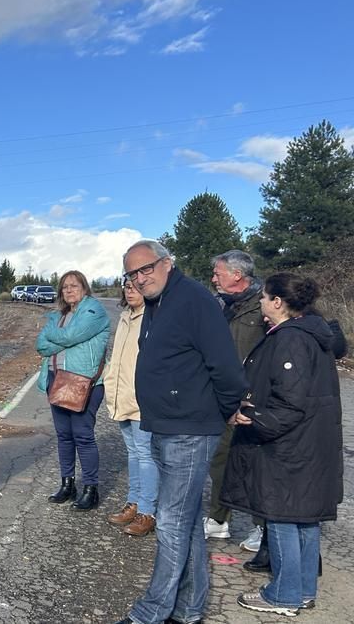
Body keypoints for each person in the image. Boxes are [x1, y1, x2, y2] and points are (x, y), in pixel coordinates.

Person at [113, 240, 246, 624]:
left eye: (146, 269)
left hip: (189, 429)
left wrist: (214, 415)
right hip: (165, 425)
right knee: (184, 523)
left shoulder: (193, 300)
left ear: (167, 264)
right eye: (132, 273)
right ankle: (188, 610)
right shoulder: (158, 304)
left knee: (169, 521)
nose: (139, 278)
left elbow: (227, 369)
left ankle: (151, 613)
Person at [220, 273, 343, 617]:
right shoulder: (310, 332)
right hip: (308, 442)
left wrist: (251, 418)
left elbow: (289, 402)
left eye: (264, 297)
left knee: (283, 516)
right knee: (304, 518)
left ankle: (284, 594)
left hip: (289, 446)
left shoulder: (290, 339)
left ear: (277, 302)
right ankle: (302, 589)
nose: (259, 302)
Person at [203, 250, 268, 561]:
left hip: (256, 401)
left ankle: (263, 527)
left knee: (257, 467)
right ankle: (219, 520)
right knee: (221, 461)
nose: (214, 278)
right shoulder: (221, 306)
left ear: (237, 276)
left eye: (218, 273)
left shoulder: (267, 305)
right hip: (226, 399)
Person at [36, 270, 110, 511]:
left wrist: (55, 337)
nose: (69, 290)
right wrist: (59, 339)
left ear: (85, 287)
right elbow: (40, 344)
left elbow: (71, 335)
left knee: (83, 435)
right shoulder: (59, 315)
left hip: (83, 382)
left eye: (74, 286)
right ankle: (67, 484)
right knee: (64, 435)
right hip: (56, 379)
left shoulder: (94, 310)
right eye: (65, 287)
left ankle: (91, 488)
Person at [102, 279, 157, 536]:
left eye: (136, 286)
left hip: (143, 399)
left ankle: (148, 511)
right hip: (122, 396)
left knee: (146, 456)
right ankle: (133, 504)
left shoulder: (154, 317)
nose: (130, 290)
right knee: (134, 454)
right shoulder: (126, 315)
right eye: (127, 286)